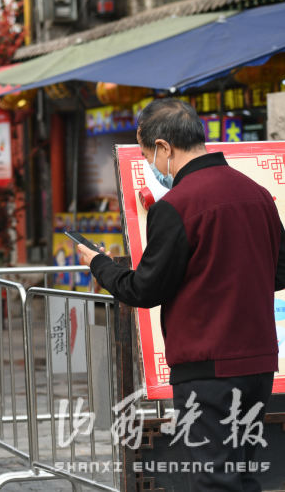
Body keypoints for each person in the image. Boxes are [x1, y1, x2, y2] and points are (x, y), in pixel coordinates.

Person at [77, 98, 285, 491]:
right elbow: (281, 267)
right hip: (257, 362)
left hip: (207, 365)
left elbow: (144, 288)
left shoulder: (177, 206)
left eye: (147, 153)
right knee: (241, 472)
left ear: (164, 148)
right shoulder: (256, 193)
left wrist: (98, 264)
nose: (152, 164)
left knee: (216, 478)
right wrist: (238, 281)